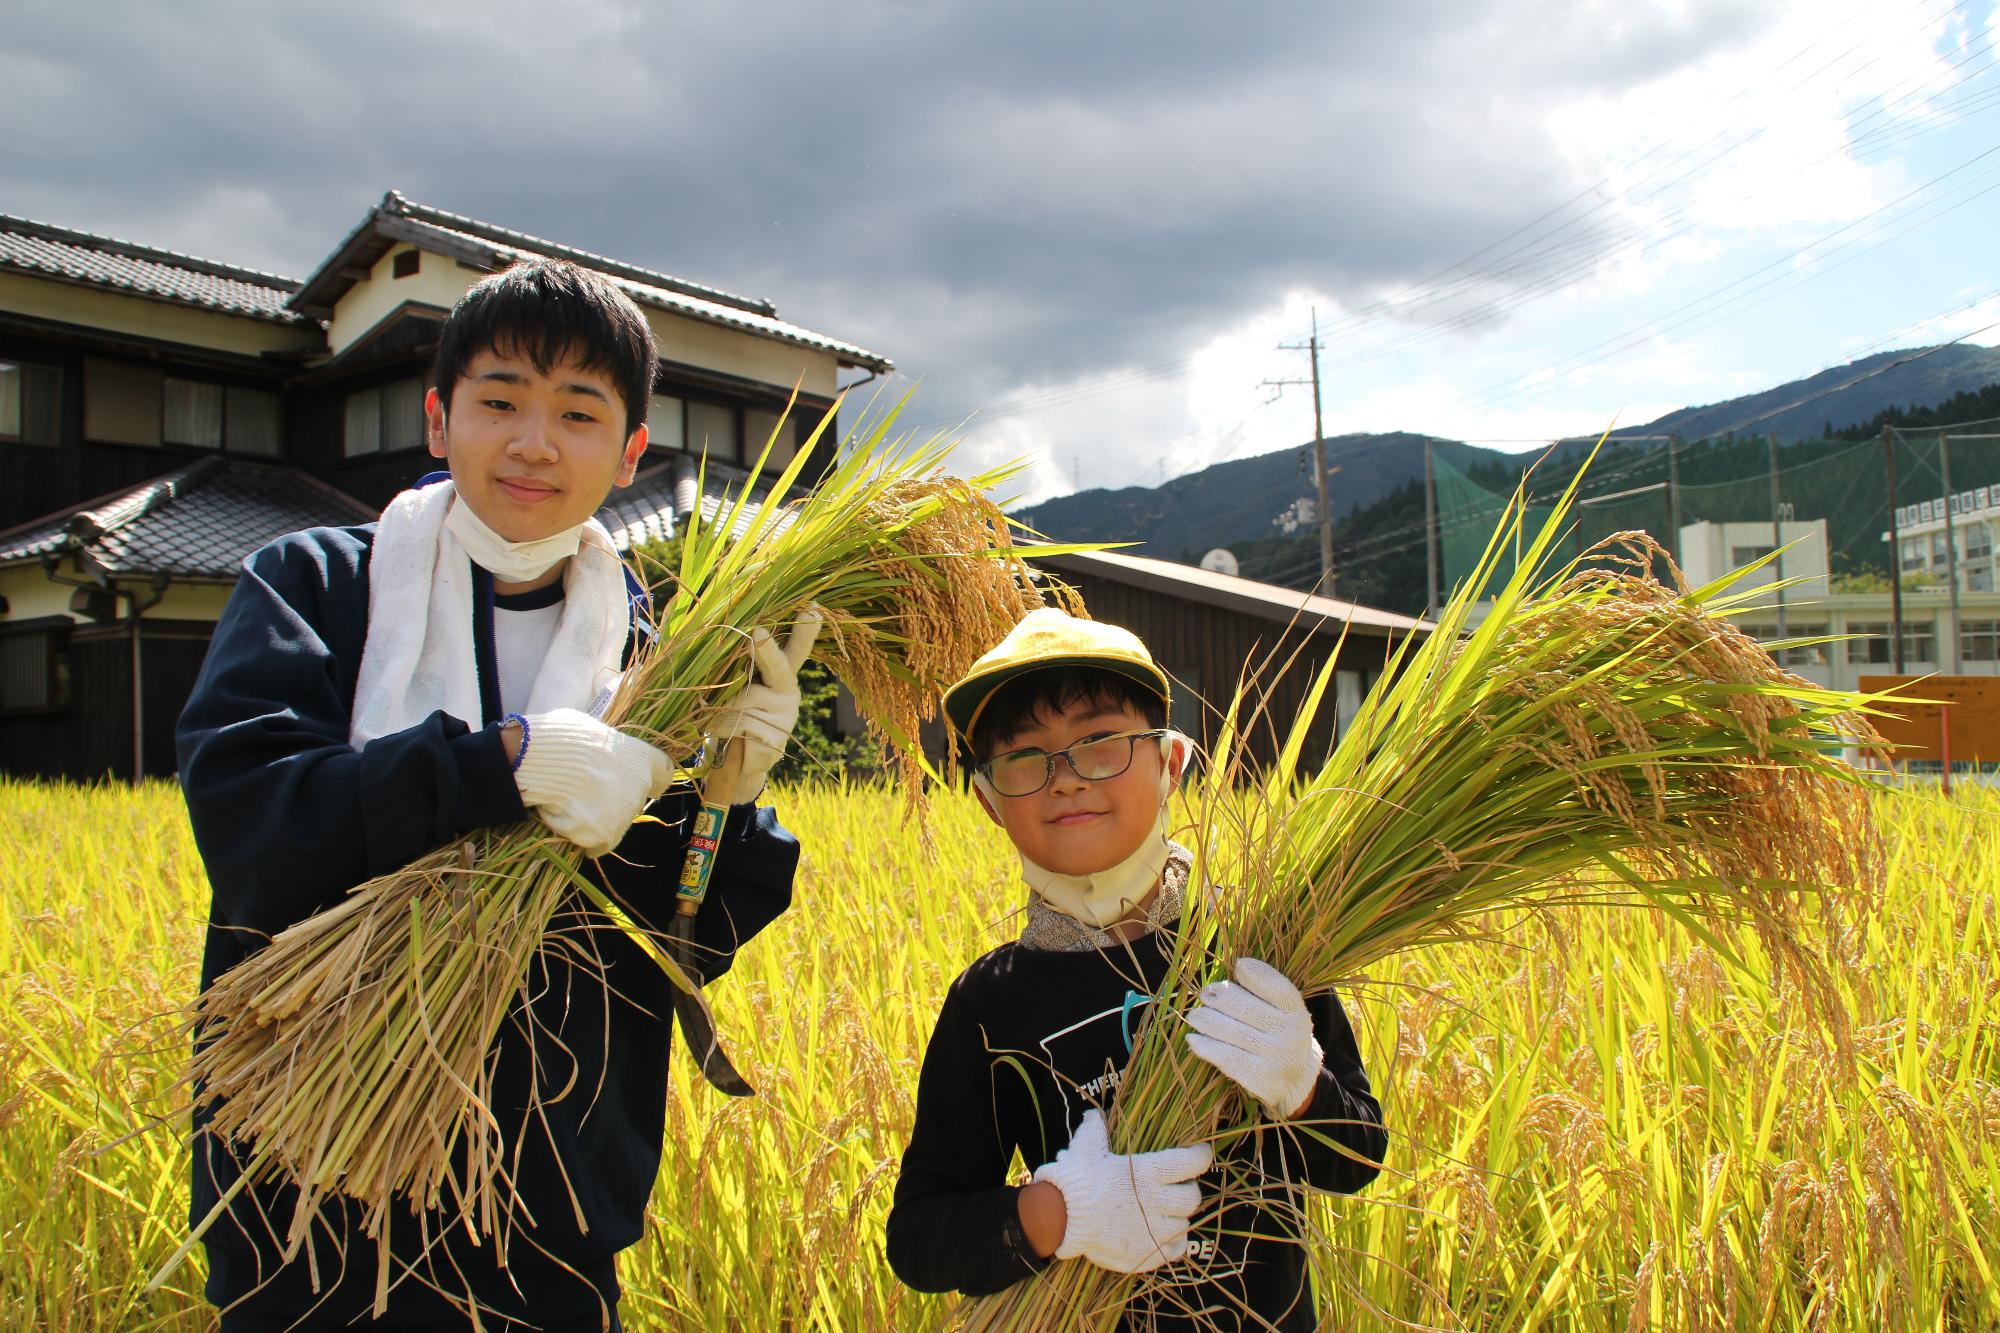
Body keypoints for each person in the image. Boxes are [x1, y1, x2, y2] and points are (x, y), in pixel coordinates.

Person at [177, 257, 815, 1331]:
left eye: (576, 411)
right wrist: (503, 760)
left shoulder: (654, 649)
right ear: (438, 419)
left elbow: (683, 934)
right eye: (500, 400)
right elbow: (252, 822)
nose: (532, 441)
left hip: (548, 1207)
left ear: (628, 454)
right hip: (311, 1192)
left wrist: (725, 807)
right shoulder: (317, 585)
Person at [885, 609, 1387, 1331]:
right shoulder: (990, 1004)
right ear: (991, 802)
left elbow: (1359, 1153)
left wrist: (1301, 1085)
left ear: (1171, 762)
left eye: (1099, 744)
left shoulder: (1261, 946)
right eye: (1025, 758)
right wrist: (1058, 1211)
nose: (1065, 780)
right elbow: (919, 1239)